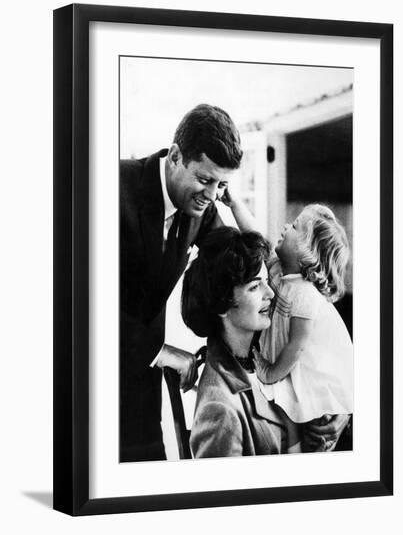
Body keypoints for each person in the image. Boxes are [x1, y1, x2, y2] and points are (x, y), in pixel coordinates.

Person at [120, 104, 243, 462]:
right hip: (79, 386)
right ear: (175, 156)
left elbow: (239, 260)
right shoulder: (109, 188)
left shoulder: (202, 210)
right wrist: (160, 351)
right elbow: (76, 301)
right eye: (205, 180)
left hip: (141, 393)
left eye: (222, 184)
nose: (211, 194)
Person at [182, 227, 349, 457]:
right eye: (254, 287)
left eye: (266, 281)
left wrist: (341, 412)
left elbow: (327, 367)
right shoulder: (219, 409)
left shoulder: (272, 343)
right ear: (223, 303)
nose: (270, 293)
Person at [230, 201, 353, 451]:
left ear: (306, 252)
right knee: (283, 404)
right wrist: (233, 204)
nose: (287, 225)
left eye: (295, 226)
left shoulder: (305, 294)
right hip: (286, 362)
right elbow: (254, 233)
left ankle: (298, 454)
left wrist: (271, 371)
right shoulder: (278, 269)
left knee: (294, 405)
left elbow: (297, 346)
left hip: (304, 368)